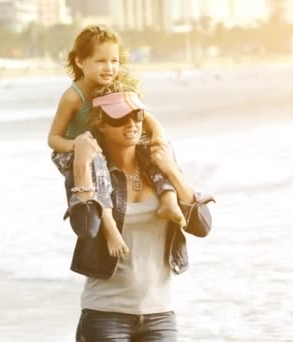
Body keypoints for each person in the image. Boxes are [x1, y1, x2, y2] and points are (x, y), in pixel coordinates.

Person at [64, 78, 215, 341]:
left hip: (160, 315)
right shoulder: (88, 171)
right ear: (101, 122)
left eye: (137, 115)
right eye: (120, 118)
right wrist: (79, 164)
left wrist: (173, 172)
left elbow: (201, 226)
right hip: (104, 313)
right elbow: (86, 227)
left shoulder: (160, 171)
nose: (131, 124)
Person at [48, 25, 185, 259]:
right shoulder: (73, 97)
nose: (109, 68)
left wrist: (159, 138)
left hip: (102, 146)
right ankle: (109, 225)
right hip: (73, 152)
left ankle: (168, 198)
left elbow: (148, 118)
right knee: (97, 162)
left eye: (114, 61)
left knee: (149, 144)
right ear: (80, 61)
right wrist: (77, 145)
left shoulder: (116, 88)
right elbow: (53, 138)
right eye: (101, 61)